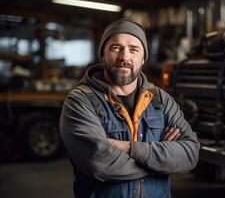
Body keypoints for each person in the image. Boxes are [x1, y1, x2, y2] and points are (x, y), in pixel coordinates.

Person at [60, 19, 200, 198]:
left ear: (143, 58)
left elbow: (190, 154)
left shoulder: (161, 101)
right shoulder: (80, 101)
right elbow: (99, 163)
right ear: (103, 53)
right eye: (116, 48)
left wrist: (130, 148)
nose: (124, 57)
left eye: (134, 49)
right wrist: (162, 162)